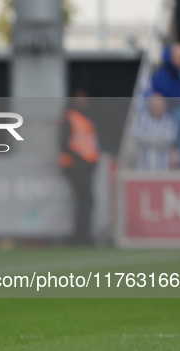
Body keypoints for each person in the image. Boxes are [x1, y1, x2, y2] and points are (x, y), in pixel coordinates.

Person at [59, 90, 101, 245]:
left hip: (87, 165)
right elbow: (65, 143)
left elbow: (91, 142)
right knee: (84, 200)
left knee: (87, 200)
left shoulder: (86, 119)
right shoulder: (70, 117)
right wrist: (81, 160)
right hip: (76, 166)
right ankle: (80, 236)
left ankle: (84, 234)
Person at [131, 95, 178, 171]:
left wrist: (147, 138)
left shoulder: (170, 121)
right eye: (154, 105)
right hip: (142, 168)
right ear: (149, 105)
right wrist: (159, 138)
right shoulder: (140, 119)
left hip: (162, 168)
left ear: (164, 107)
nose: (157, 108)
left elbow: (168, 141)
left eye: (159, 105)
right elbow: (137, 137)